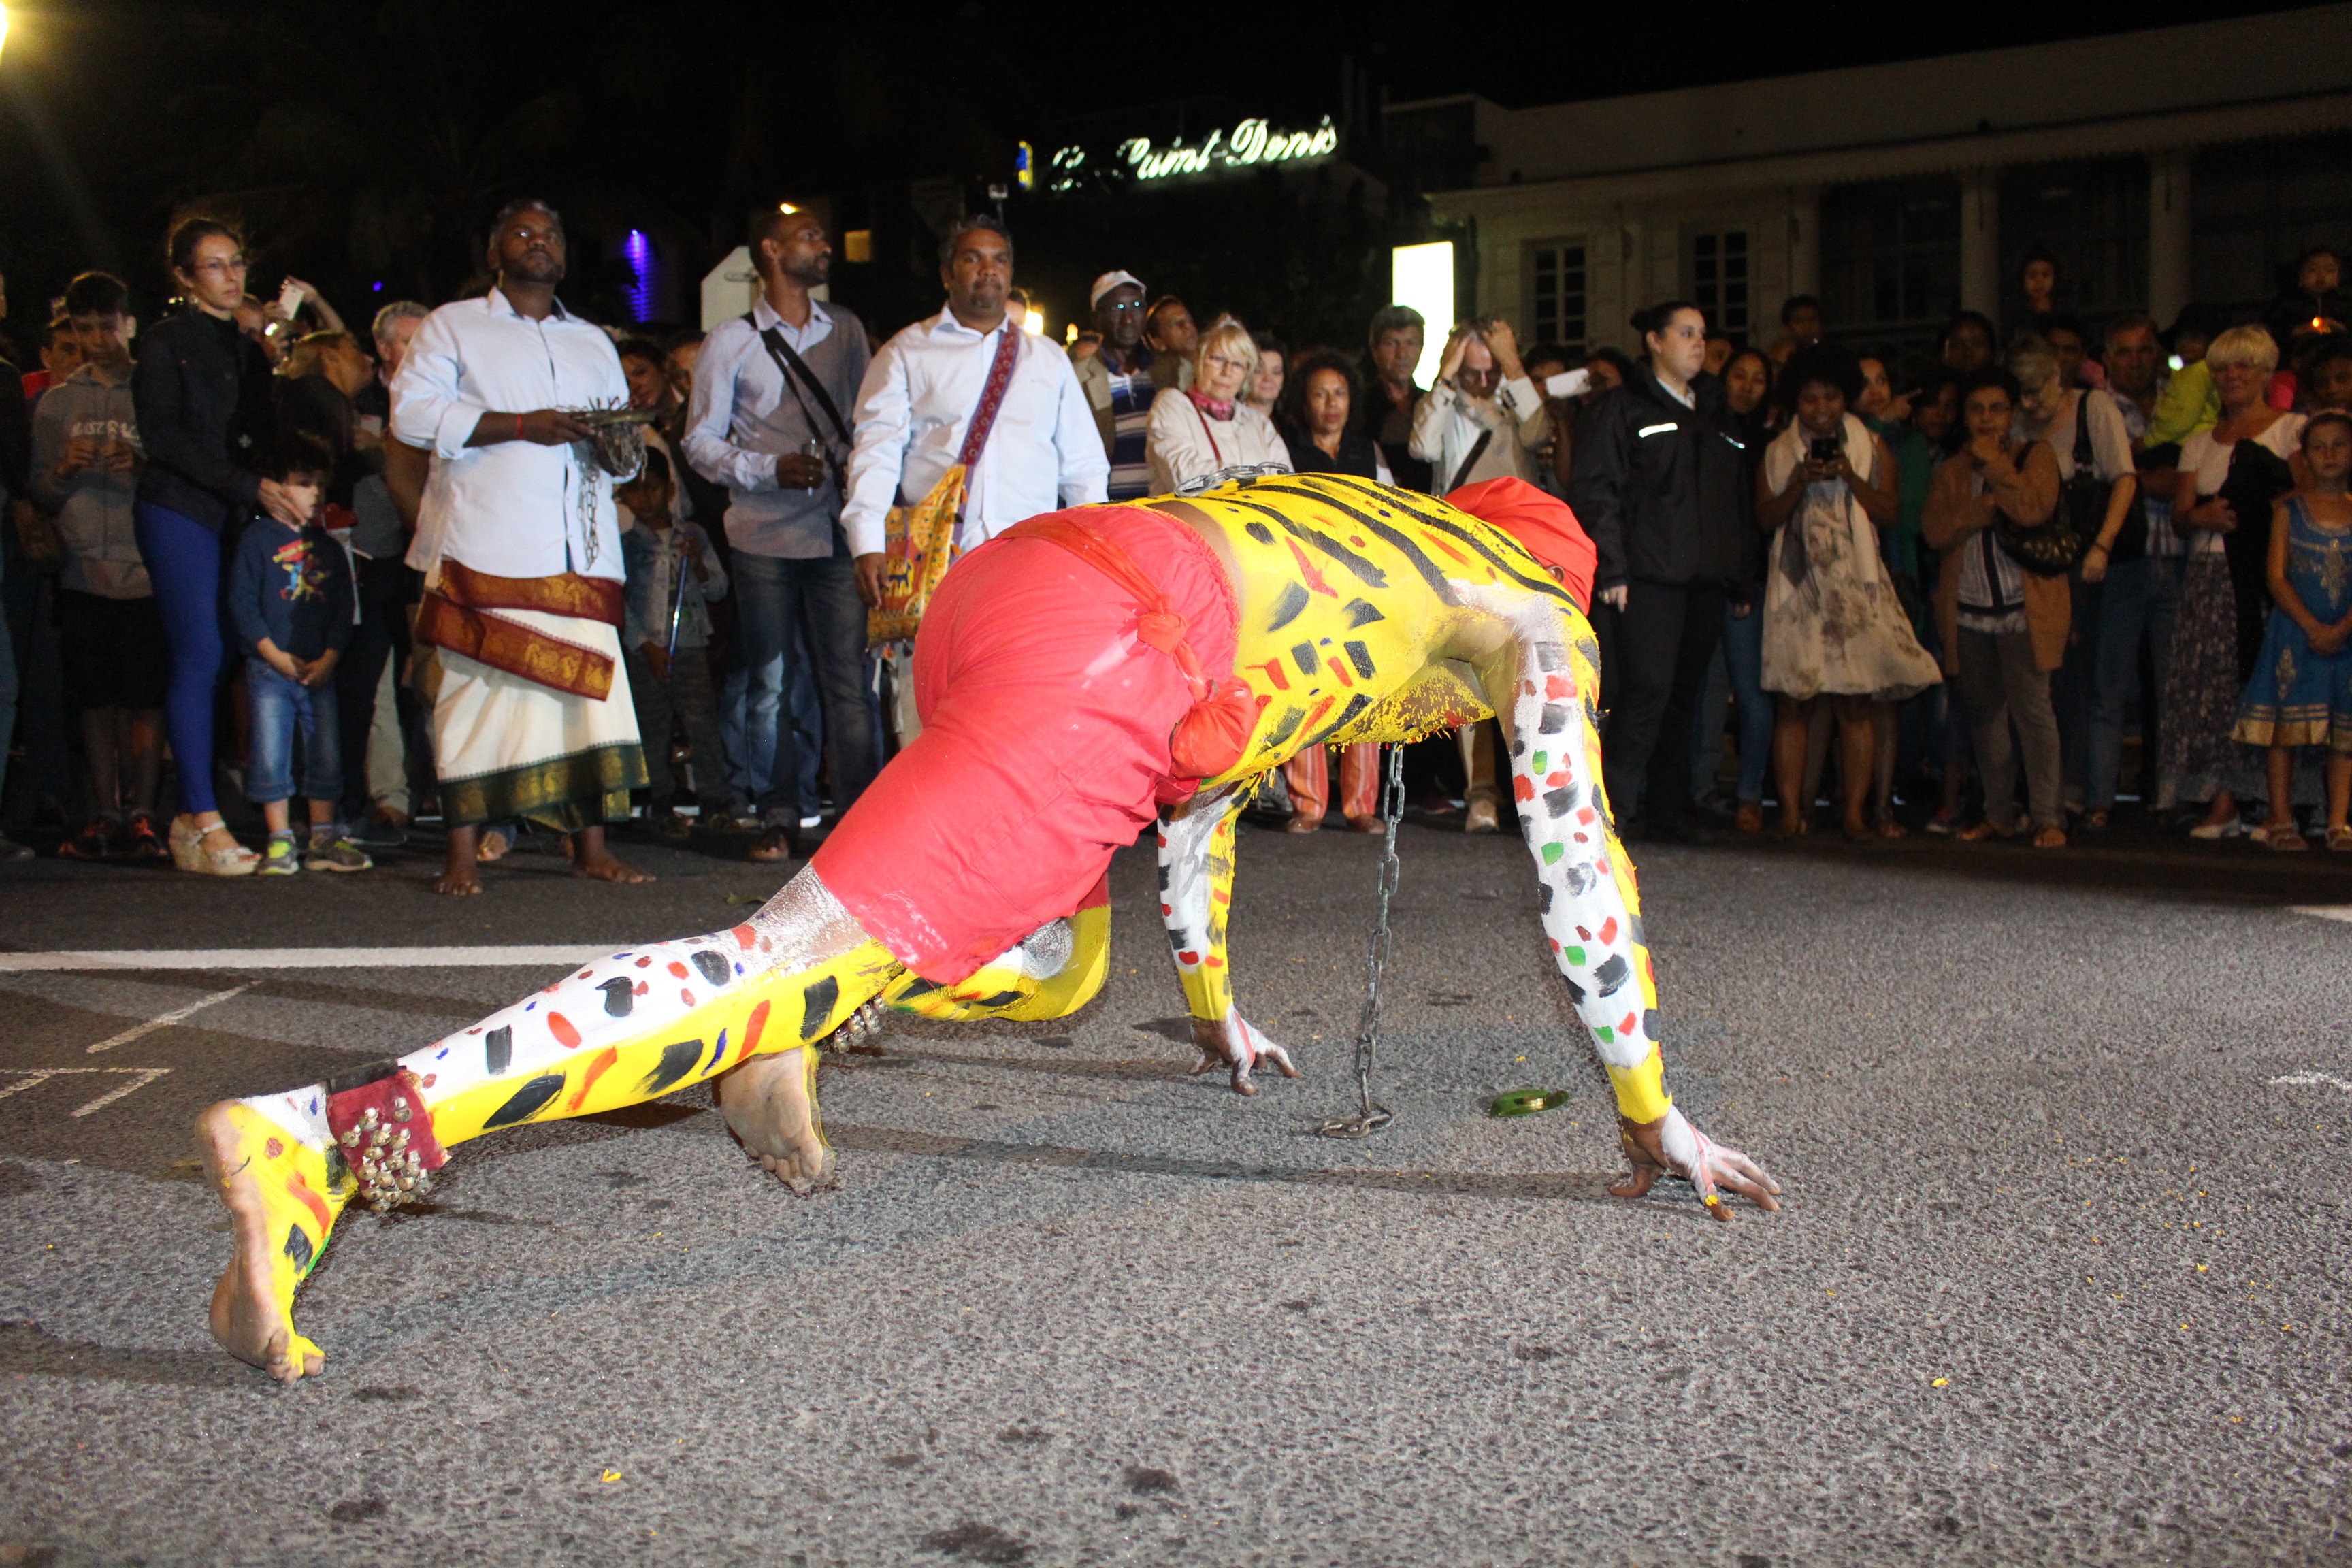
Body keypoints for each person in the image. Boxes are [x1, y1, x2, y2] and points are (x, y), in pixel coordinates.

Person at [190, 470, 1779, 1385]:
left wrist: (1212, 1001)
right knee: (790, 956)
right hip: (1105, 658)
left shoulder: (1371, 539)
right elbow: (1580, 865)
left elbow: (1206, 796)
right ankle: (331, 1138)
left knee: (1028, 935)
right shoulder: (1533, 616)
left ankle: (781, 1058)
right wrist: (1651, 1107)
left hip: (1016, 592)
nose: (1451, 719)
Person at [391, 197, 653, 894]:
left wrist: (622, 447)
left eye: (552, 234)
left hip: (582, 551)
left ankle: (589, 850)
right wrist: (516, 425)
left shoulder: (592, 341)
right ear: (494, 252)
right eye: (523, 234)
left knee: (589, 702)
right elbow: (412, 415)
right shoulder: (455, 326)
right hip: (486, 545)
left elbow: (623, 452)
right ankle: (461, 856)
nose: (540, 243)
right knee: (474, 700)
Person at [681, 208, 881, 864]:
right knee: (770, 679)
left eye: (825, 235)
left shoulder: (847, 329)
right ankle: (780, 813)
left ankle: (859, 817)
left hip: (834, 528)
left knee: (848, 681)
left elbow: (870, 422)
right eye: (810, 237)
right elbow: (699, 442)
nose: (824, 246)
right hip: (765, 531)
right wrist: (768, 468)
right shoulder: (731, 340)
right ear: (769, 250)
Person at [133, 217, 311, 876]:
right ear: (183, 276)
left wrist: (273, 365)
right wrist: (250, 486)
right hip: (180, 506)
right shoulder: (163, 341)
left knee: (234, 656)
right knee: (200, 653)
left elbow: (264, 433)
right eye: (214, 265)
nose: (232, 276)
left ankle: (205, 813)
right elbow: (167, 438)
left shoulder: (245, 344)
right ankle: (201, 817)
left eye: (237, 262)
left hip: (236, 508)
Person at [1571, 301, 1754, 843]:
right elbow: (1597, 491)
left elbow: (1735, 501)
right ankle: (1613, 809)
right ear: (1655, 341)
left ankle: (1670, 810)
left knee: (1685, 694)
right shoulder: (1625, 408)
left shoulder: (1716, 413)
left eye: (1703, 333)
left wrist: (1742, 576)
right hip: (1648, 576)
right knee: (1644, 689)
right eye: (1686, 333)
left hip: (1703, 577)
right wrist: (1612, 568)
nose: (1698, 343)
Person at [1756, 342, 1940, 840]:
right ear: (1797, 401)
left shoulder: (1871, 446)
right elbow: (1765, 518)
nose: (1821, 409)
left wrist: (1851, 478)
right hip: (1796, 586)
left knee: (1857, 702)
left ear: (1845, 399)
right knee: (1794, 701)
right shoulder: (1776, 451)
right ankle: (1793, 813)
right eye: (1811, 399)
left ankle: (1857, 813)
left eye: (1831, 397)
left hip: (1854, 584)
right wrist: (1797, 482)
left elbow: (1890, 513)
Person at [35, 272, 167, 861]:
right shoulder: (58, 402)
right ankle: (103, 811)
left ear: (129, 325)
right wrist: (63, 470)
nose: (95, 340)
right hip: (85, 570)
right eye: (84, 329)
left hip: (148, 569)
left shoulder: (156, 392)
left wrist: (141, 464)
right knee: (94, 699)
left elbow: (184, 477)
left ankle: (142, 811)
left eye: (106, 327)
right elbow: (38, 496)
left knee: (145, 697)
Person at [2163, 326, 2306, 839]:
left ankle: (2275, 803)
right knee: (2212, 690)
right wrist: (2205, 516)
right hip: (2207, 577)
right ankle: (2221, 799)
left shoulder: (2291, 430)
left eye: (2243, 366)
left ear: (2267, 373)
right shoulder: (2200, 442)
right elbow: (2180, 516)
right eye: (2223, 369)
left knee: (2263, 687)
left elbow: (2307, 498)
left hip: (2265, 576)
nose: (2232, 377)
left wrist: (2254, 513)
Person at [1921, 368, 2070, 847]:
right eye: (1977, 410)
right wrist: (1979, 509)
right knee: (1985, 715)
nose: (1986, 419)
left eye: (1997, 409)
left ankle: (2048, 816)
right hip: (1969, 607)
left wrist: (1996, 470)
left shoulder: (2036, 455)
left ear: (2013, 413)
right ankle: (1999, 813)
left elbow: (2033, 509)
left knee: (2033, 711)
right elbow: (1935, 532)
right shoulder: (1951, 470)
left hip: (2024, 607)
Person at [227, 434, 368, 875]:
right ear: (275, 485)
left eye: (319, 484)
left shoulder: (327, 546)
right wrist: (272, 654)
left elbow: (344, 608)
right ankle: (280, 838)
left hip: (317, 667)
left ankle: (323, 836)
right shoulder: (256, 539)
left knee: (325, 749)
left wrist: (330, 657)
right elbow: (242, 604)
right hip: (272, 667)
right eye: (304, 482)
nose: (315, 493)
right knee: (271, 750)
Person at [1274, 349, 1387, 832]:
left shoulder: (1368, 451)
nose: (1331, 403)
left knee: (1364, 685)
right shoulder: (1289, 452)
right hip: (1308, 579)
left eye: (1339, 393)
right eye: (1320, 394)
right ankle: (1309, 803)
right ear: (1305, 401)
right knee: (1309, 684)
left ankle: (1361, 805)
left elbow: (1390, 510)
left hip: (1362, 579)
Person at [2231, 412, 2352, 850]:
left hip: (2345, 635)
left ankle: (2338, 820)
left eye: (2339, 445)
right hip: (2294, 633)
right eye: (2318, 447)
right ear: (2304, 456)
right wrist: (2311, 625)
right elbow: (2276, 577)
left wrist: (2340, 628)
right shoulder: (2288, 510)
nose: (2330, 455)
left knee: (2344, 732)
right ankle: (2280, 816)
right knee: (2283, 730)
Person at [2085, 314, 2183, 823]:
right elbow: (2112, 478)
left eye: (2144, 350)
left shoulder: (2180, 401)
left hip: (2179, 557)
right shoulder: (2100, 408)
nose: (2135, 360)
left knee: (2174, 688)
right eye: (2123, 352)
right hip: (2125, 560)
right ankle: (2101, 798)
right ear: (2107, 359)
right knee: (2111, 685)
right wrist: (2148, 480)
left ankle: (2167, 797)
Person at [619, 448, 730, 838]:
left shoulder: (693, 536)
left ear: (668, 490)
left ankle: (715, 799)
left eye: (651, 488)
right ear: (623, 496)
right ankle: (660, 800)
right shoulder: (626, 546)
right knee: (653, 726)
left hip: (688, 644)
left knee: (701, 722)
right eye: (634, 490)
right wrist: (643, 645)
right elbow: (621, 603)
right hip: (646, 649)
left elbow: (718, 588)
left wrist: (697, 564)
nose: (644, 498)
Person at [1701, 347, 1780, 832]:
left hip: (1751, 579)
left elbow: (1753, 520)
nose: (1747, 386)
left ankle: (1750, 791)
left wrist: (1747, 578)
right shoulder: (1710, 432)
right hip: (1712, 578)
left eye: (1758, 378)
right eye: (1739, 376)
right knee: (1709, 692)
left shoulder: (1769, 442)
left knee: (1751, 690)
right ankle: (1703, 786)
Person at [1409, 318, 1550, 497]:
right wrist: (1444, 377)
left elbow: (1538, 436)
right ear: (1458, 367)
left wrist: (1515, 369)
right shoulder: (1443, 400)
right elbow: (1423, 449)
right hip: (1462, 515)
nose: (1483, 382)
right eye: (1472, 373)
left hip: (1511, 511)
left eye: (1492, 372)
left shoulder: (1516, 394)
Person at [1145, 321, 1290, 493]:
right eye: (1218, 359)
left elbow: (1286, 482)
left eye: (1238, 364)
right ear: (1199, 360)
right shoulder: (1172, 405)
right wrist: (1257, 478)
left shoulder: (1257, 422)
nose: (1227, 372)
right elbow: (1186, 480)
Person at [1071, 270, 1158, 501]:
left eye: (1137, 306)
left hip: (1167, 508)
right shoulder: (1077, 377)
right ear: (1096, 319)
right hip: (1109, 511)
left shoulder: (1171, 372)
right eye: (1117, 309)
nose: (1128, 318)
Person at [1360, 305, 1430, 493]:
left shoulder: (1430, 403)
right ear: (1375, 350)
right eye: (1392, 343)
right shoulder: (1360, 405)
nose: (1402, 354)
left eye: (1411, 343)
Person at [1144, 295, 1197, 392]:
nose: (1187, 326)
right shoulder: (1159, 376)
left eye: (1189, 320)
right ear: (1158, 343)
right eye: (1177, 324)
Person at [1939, 311, 1997, 375]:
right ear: (1943, 354)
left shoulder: (2003, 383)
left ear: (1992, 352)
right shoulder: (1933, 383)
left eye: (1977, 344)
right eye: (1957, 345)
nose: (1968, 353)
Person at [1245, 331, 1285, 418]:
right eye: (1258, 371)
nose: (1268, 379)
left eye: (1276, 372)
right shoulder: (1227, 423)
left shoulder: (1290, 427)